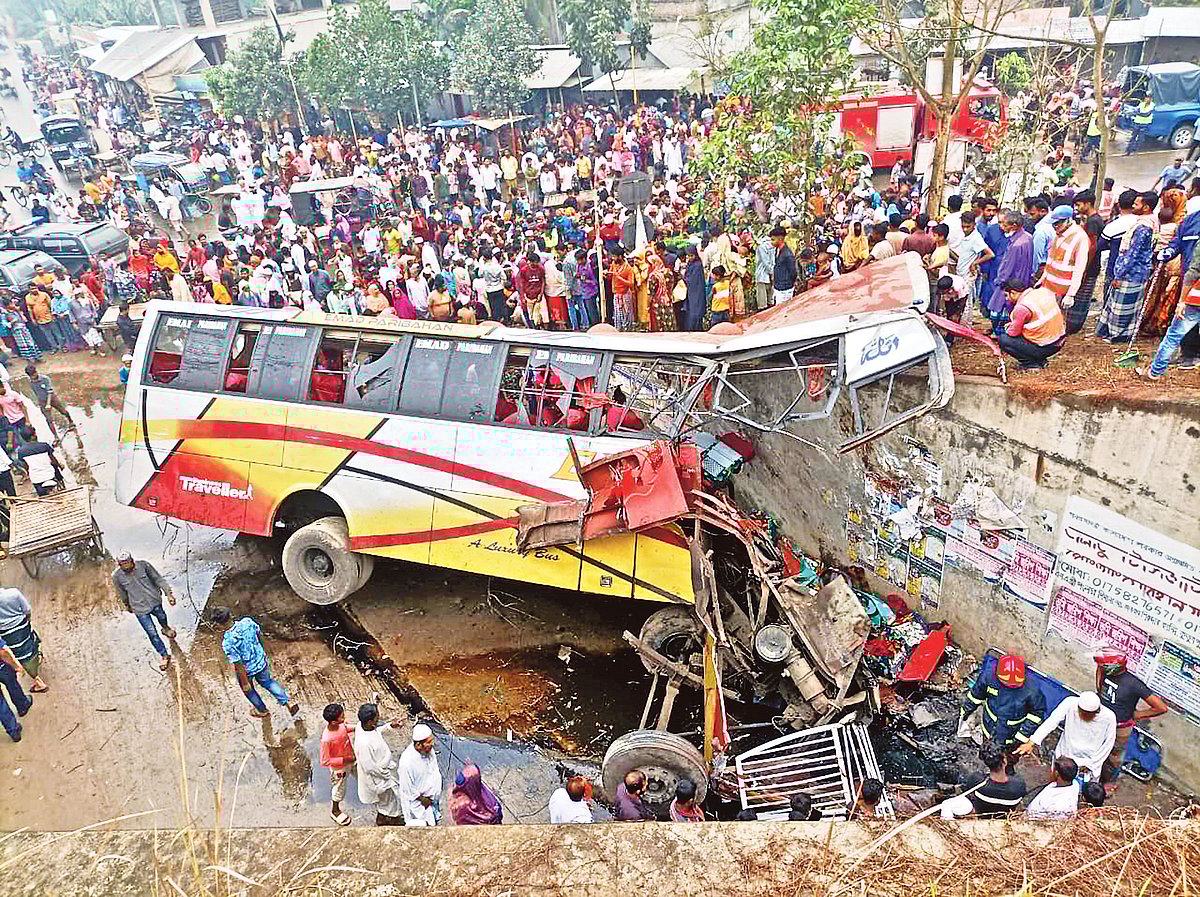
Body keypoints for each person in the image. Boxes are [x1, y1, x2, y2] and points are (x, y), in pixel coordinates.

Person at [210, 605, 300, 719]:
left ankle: (262, 710)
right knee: (268, 682)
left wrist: (245, 683)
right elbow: (258, 634)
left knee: (249, 691)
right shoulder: (247, 622)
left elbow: (239, 665)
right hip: (260, 661)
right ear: (231, 615)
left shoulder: (228, 642)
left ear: (218, 625)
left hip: (247, 670)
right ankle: (288, 702)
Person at [1094, 649, 1168, 785]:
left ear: (1115, 667)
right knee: (1096, 747)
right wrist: (1099, 687)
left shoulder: (1134, 684)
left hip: (1120, 727)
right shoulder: (1104, 671)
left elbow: (1161, 707)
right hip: (1101, 721)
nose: (1100, 667)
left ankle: (1107, 783)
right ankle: (1093, 777)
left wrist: (1136, 715)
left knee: (1114, 757)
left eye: (1103, 666)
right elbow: (1099, 679)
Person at [961, 654, 1046, 771]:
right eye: (1008, 683)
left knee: (1009, 759)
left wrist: (1021, 737)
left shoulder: (1031, 690)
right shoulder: (988, 678)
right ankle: (988, 769)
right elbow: (975, 696)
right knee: (988, 755)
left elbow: (1037, 714)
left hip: (1012, 737)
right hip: (989, 729)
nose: (1012, 685)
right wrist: (966, 711)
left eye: (1015, 684)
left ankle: (1007, 770)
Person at [1017, 690, 1115, 781]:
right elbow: (1052, 721)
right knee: (1055, 783)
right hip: (1065, 755)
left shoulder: (1109, 717)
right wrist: (1032, 742)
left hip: (1088, 763)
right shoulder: (1070, 703)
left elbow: (1108, 744)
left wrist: (1091, 765)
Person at [1139, 233, 1200, 380]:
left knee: (1174, 335)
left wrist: (1182, 301)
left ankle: (1155, 372)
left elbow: (1193, 272)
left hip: (1196, 299)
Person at [112, 551, 177, 671]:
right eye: (122, 565)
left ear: (132, 562)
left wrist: (169, 594)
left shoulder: (144, 565)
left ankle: (166, 628)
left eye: (127, 563)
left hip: (154, 601)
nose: (126, 566)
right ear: (119, 565)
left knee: (162, 617)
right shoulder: (116, 577)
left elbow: (158, 579)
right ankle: (163, 654)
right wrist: (128, 606)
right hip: (139, 608)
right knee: (152, 633)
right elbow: (122, 593)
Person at [939, 741, 1027, 819]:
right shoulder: (1019, 784)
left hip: (982, 815)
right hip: (1004, 817)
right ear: (1005, 762)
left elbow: (967, 789)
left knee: (946, 803)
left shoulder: (976, 780)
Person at [351, 703, 404, 825]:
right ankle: (388, 820)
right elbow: (369, 767)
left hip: (384, 771)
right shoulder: (364, 744)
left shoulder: (363, 726)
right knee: (388, 801)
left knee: (390, 800)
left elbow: (377, 732)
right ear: (370, 722)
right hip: (379, 777)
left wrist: (390, 726)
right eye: (377, 718)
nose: (378, 719)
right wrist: (385, 775)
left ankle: (388, 817)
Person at [1038, 205, 1090, 329]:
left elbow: (1079, 269)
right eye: (1053, 224)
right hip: (1049, 285)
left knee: (1058, 319)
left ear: (1068, 220)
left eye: (1058, 224)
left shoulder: (1080, 238)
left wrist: (1071, 294)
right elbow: (1051, 258)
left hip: (1062, 288)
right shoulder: (1058, 234)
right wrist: (1043, 278)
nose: (1055, 226)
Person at [996, 281, 1067, 370]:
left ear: (1013, 293)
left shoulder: (1022, 308)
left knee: (1004, 340)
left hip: (1046, 346)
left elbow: (1013, 333)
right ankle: (1040, 360)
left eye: (1006, 295)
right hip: (1059, 340)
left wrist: (1009, 327)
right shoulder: (1042, 292)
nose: (1007, 299)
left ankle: (1031, 364)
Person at [0, 587, 47, 693]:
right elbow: (27, 610)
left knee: (20, 654)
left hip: (6, 634)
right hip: (23, 626)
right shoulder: (14, 593)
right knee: (30, 643)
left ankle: (38, 681)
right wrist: (27, 621)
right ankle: (38, 678)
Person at [397, 722, 442, 826]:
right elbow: (406, 788)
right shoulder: (407, 763)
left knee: (433, 821)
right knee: (422, 827)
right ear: (418, 745)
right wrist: (423, 799)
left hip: (430, 801)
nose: (432, 744)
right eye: (429, 742)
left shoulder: (428, 751)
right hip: (419, 805)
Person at [320, 702, 355, 826]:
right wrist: (344, 760)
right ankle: (335, 811)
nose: (344, 718)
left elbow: (346, 728)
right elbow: (325, 760)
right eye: (341, 717)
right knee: (339, 788)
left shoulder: (340, 726)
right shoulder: (327, 739)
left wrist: (358, 727)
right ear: (333, 722)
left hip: (351, 757)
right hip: (340, 768)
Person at [25, 364, 73, 437]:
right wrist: (40, 402)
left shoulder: (45, 379)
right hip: (42, 401)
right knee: (48, 419)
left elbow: (50, 391)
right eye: (31, 376)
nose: (33, 377)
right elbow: (35, 392)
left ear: (36, 372)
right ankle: (56, 436)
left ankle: (70, 421)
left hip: (52, 398)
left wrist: (48, 404)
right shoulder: (30, 382)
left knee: (63, 411)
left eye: (33, 375)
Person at [0, 631, 32, 742]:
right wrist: (16, 666)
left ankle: (13, 731)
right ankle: (22, 705)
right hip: (1, 667)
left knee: (0, 705)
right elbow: (2, 653)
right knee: (12, 683)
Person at [16, 425, 63, 496]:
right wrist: (60, 466)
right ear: (34, 434)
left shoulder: (21, 452)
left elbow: (26, 466)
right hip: (49, 475)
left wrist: (28, 474)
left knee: (42, 497)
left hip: (36, 479)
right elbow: (53, 461)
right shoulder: (44, 446)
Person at [770, 225, 798, 304]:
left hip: (785, 289)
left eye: (773, 239)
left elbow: (793, 272)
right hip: (778, 287)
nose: (771, 242)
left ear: (780, 239)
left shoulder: (787, 254)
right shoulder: (777, 250)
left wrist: (788, 283)